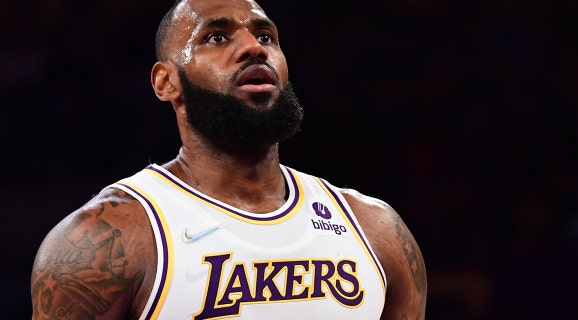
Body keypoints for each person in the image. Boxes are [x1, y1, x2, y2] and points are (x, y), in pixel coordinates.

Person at [30, 0, 427, 319]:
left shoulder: (376, 230)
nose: (255, 47)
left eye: (266, 36)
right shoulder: (104, 241)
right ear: (166, 82)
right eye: (217, 37)